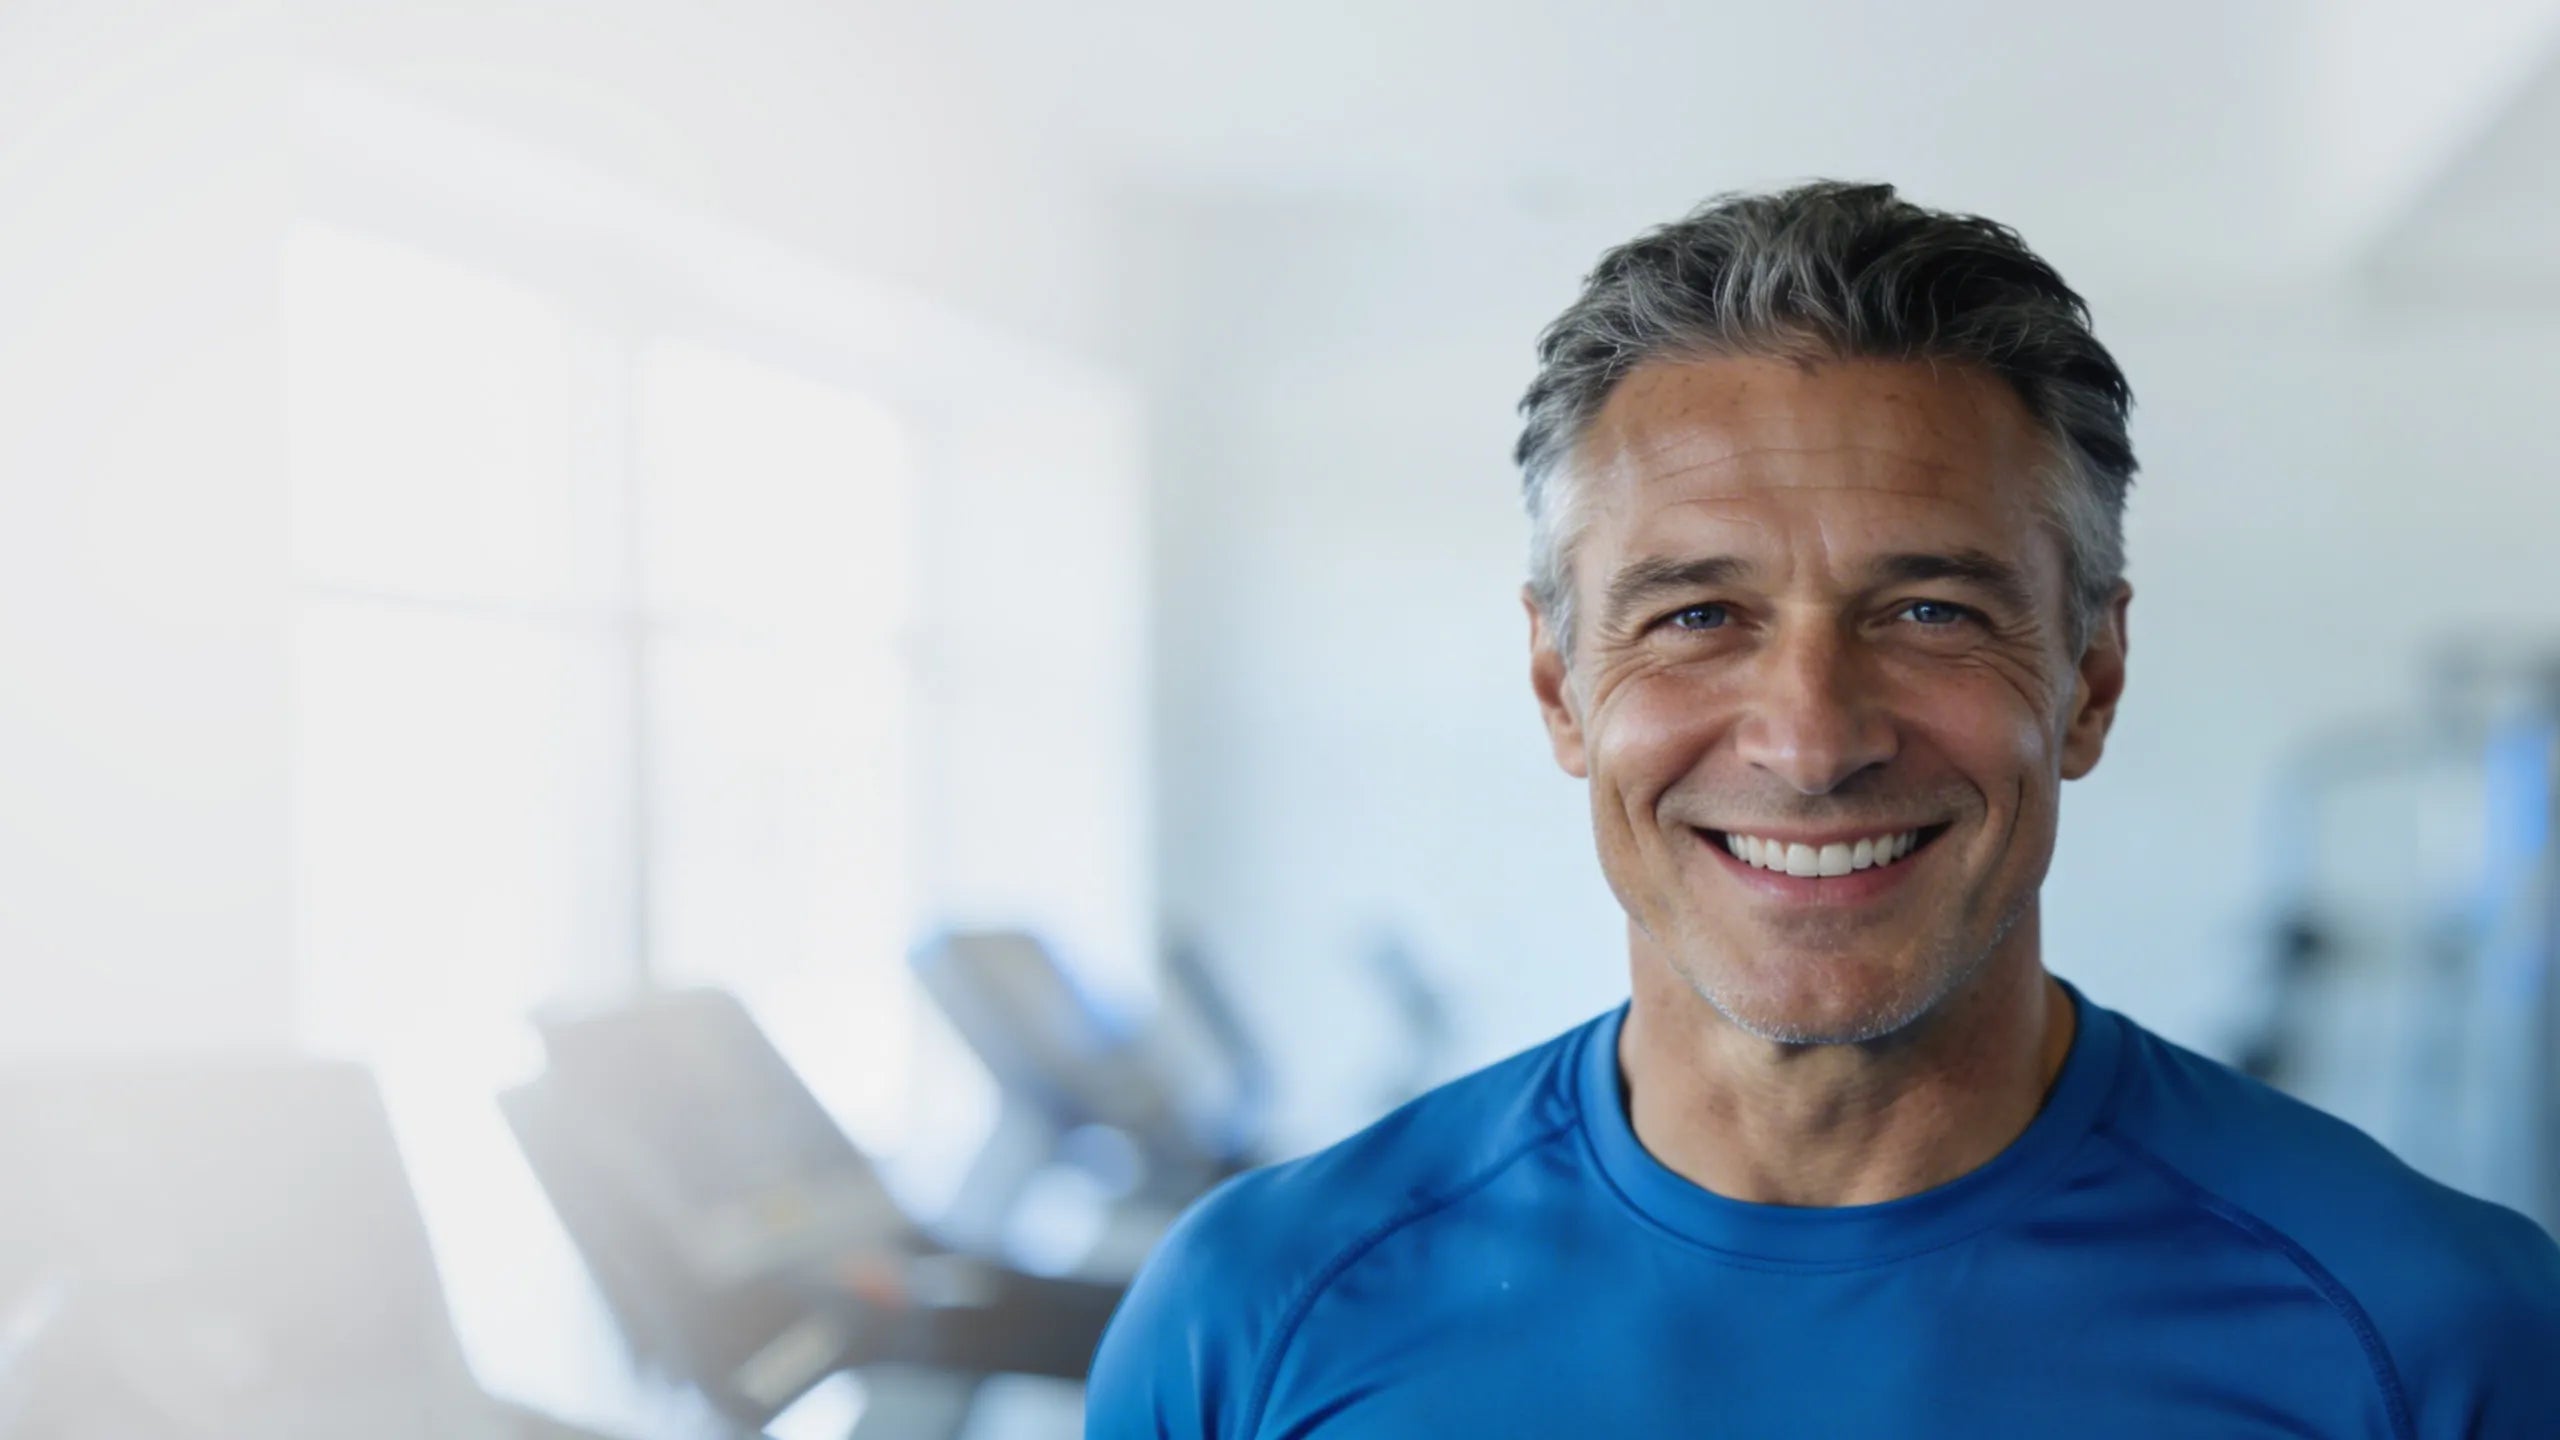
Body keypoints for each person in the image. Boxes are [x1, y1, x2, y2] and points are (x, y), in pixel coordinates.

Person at [1083, 181, 2560, 1437]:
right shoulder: (1254, 1323)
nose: (1810, 740)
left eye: (1927, 609)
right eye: (1696, 615)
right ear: (1558, 686)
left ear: (2092, 677)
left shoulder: (2436, 1339)